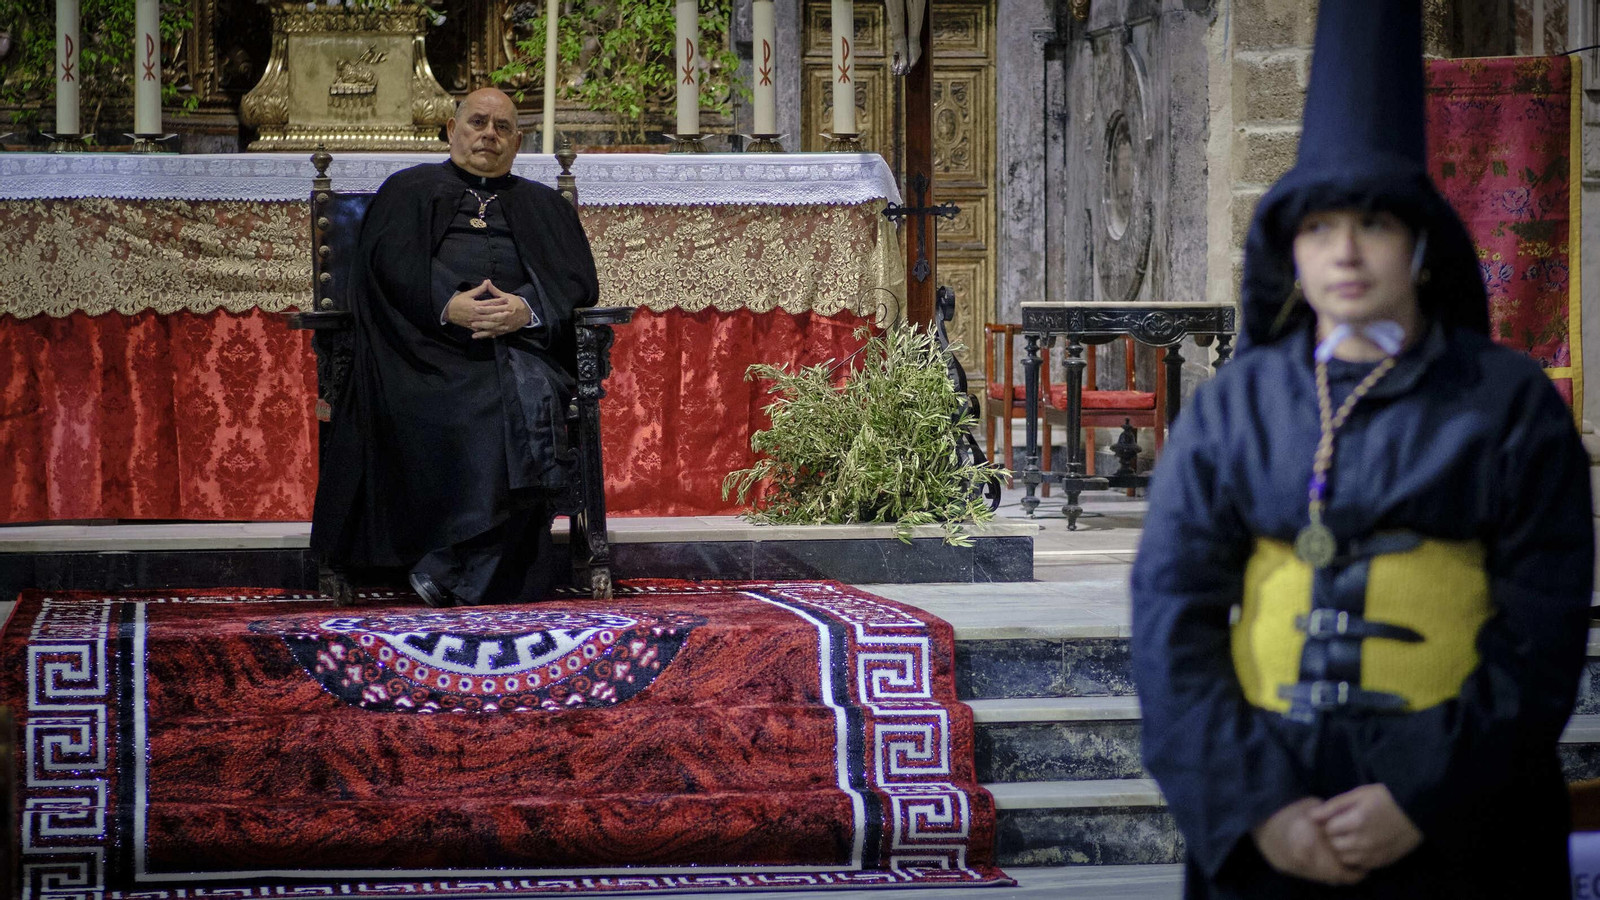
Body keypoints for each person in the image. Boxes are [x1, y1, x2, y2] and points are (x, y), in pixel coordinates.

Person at [1129, 1, 1594, 897]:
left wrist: (1422, 795)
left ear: (1421, 244)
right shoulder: (1233, 411)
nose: (1344, 252)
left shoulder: (1509, 407)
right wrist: (1262, 807)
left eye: (1373, 224)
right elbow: (1169, 625)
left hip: (1462, 821)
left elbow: (1539, 638)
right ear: (1288, 248)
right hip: (1270, 808)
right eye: (1317, 227)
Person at [310, 88, 600, 608]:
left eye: (503, 127)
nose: (488, 134)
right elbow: (384, 271)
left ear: (518, 140)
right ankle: (469, 566)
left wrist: (525, 309)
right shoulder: (407, 190)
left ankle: (452, 567)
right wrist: (449, 305)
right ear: (451, 130)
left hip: (523, 347)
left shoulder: (541, 205)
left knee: (515, 392)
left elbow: (575, 281)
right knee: (491, 398)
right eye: (478, 123)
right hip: (421, 350)